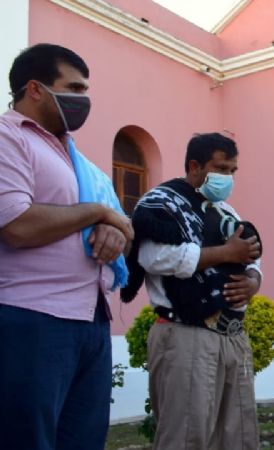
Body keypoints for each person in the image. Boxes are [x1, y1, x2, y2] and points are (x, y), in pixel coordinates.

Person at [0, 44, 134, 450]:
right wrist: (96, 212)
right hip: (33, 318)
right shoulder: (9, 138)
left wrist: (112, 228)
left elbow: (122, 223)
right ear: (35, 89)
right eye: (73, 88)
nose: (83, 100)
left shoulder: (78, 161)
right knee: (29, 439)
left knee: (83, 440)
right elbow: (17, 224)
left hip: (90, 319)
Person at [121, 133, 262, 450]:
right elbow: (153, 258)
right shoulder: (161, 204)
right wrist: (225, 254)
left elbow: (253, 257)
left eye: (232, 170)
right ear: (195, 166)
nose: (227, 177)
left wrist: (253, 281)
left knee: (239, 438)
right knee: (187, 438)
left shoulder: (227, 211)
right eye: (221, 168)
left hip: (233, 337)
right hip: (186, 334)